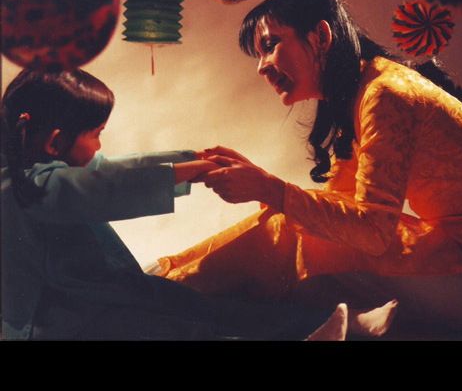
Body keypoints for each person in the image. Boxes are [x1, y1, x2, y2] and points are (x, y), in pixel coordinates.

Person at [158, 0, 462, 338]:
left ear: (321, 36)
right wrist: (265, 185)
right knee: (289, 232)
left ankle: (162, 292)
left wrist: (270, 189)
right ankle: (166, 284)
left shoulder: (385, 94)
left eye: (270, 44)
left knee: (291, 242)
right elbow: (339, 208)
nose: (261, 67)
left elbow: (372, 232)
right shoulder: (365, 90)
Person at [0, 67, 398, 341]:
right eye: (95, 134)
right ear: (55, 142)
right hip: (64, 325)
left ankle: (338, 324)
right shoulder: (25, 187)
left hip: (99, 295)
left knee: (198, 305)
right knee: (185, 329)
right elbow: (104, 187)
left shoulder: (39, 170)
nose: (99, 145)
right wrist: (192, 170)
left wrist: (192, 160)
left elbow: (110, 170)